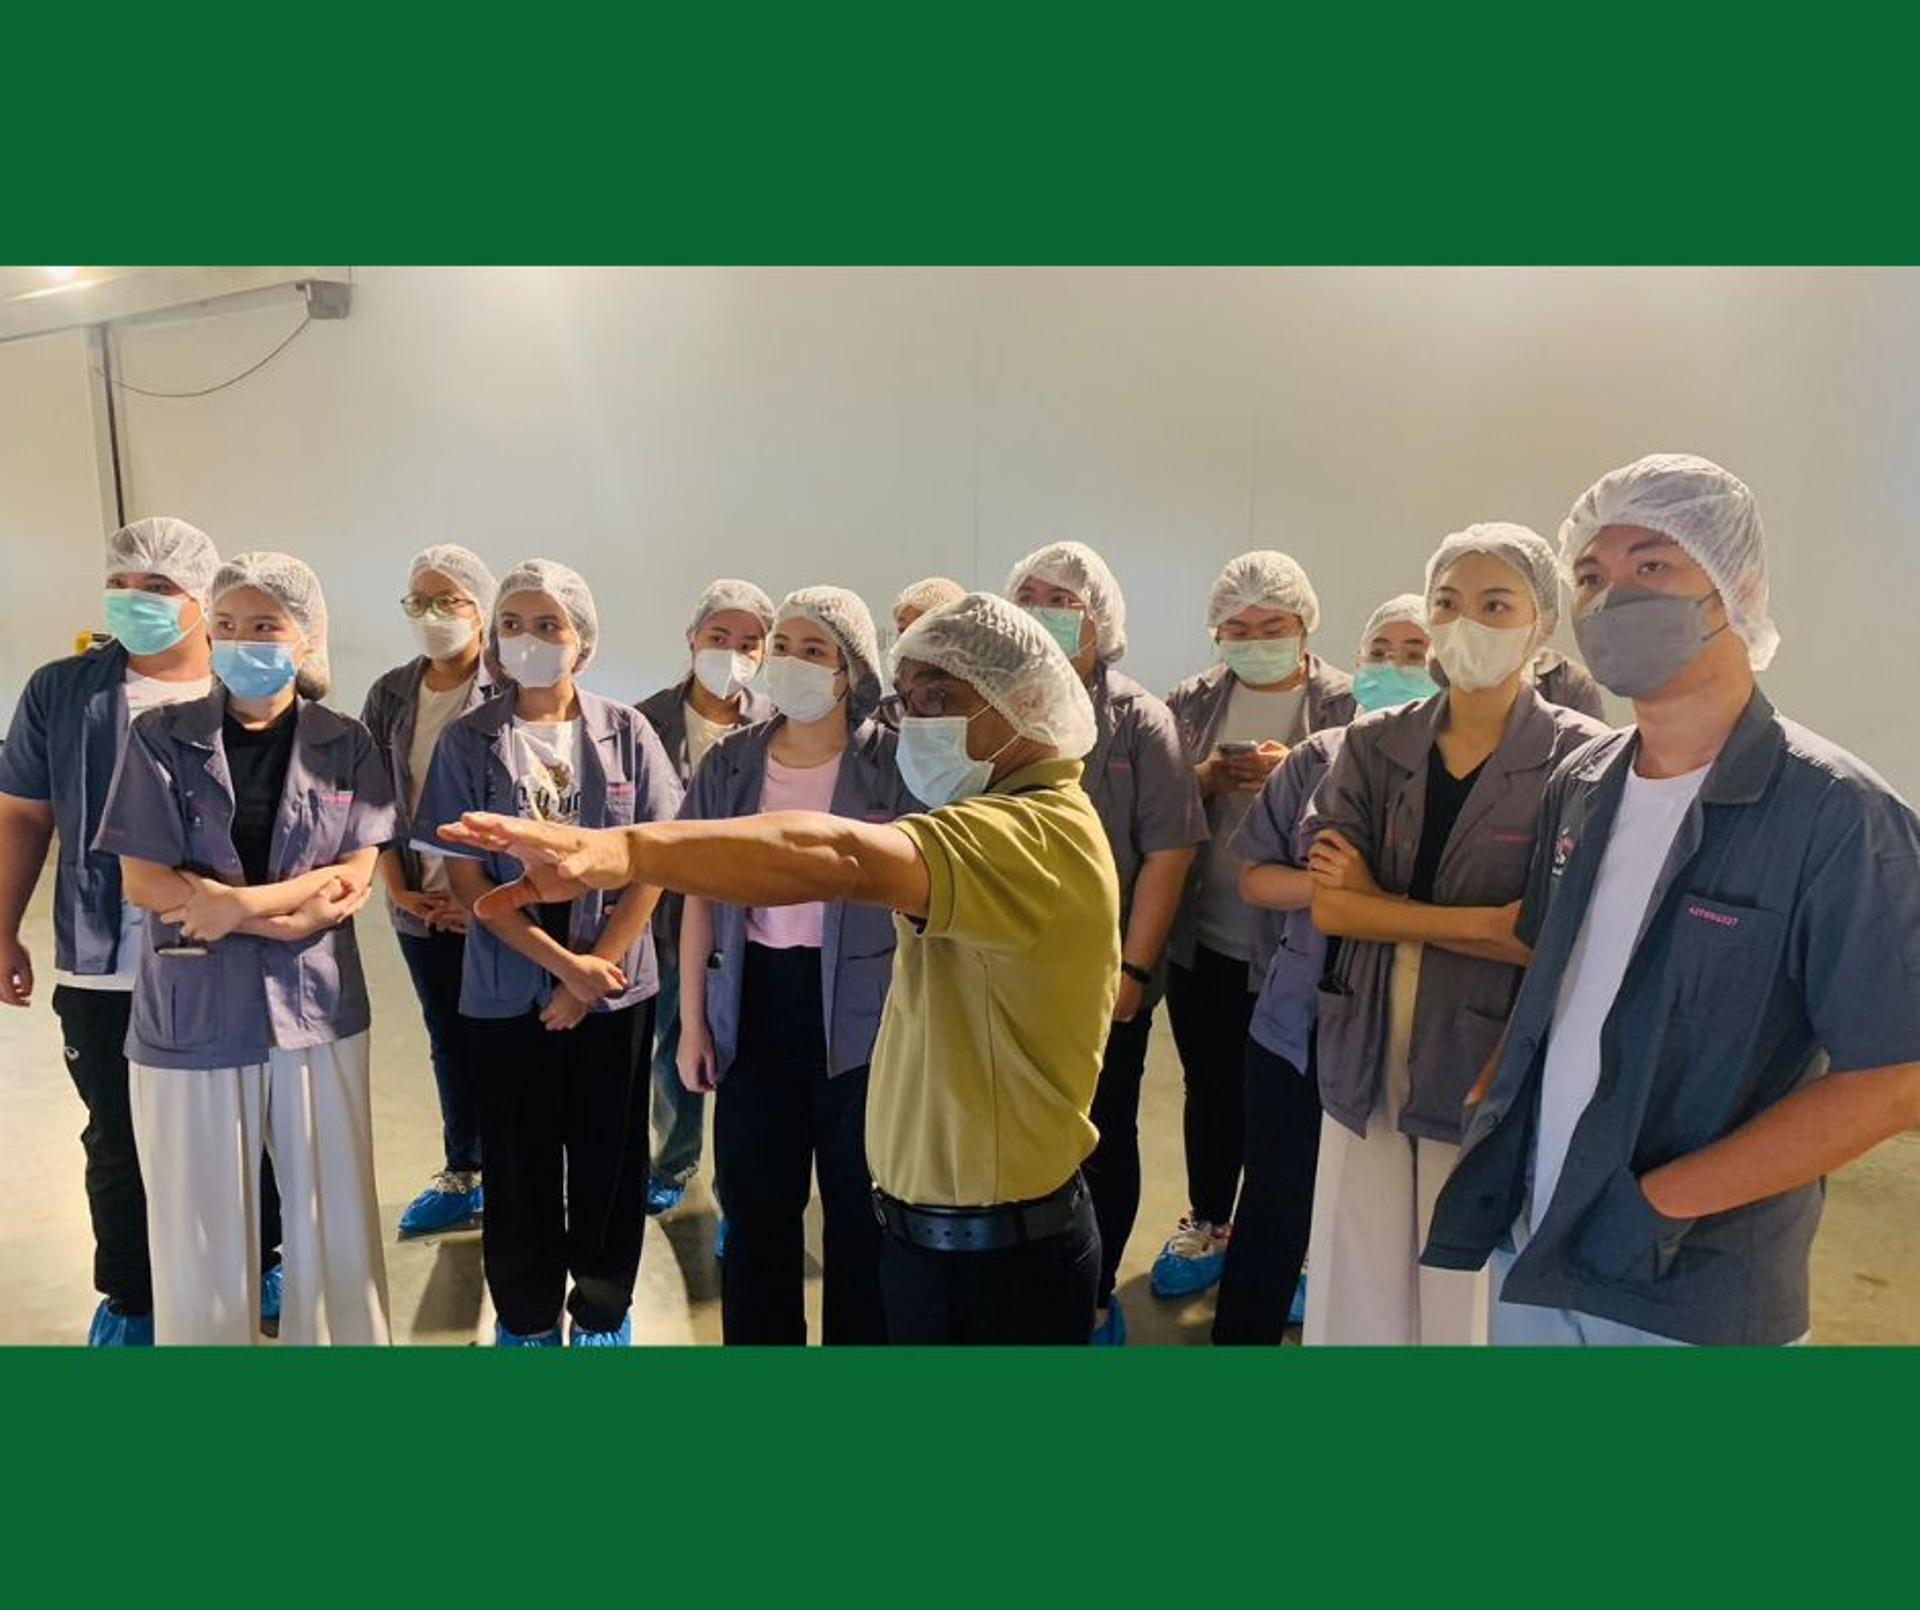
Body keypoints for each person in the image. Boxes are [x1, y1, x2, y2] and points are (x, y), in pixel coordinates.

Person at [442, 592, 1119, 1345]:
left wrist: (625, 850)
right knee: (761, 1219)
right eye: (910, 701)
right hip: (939, 1235)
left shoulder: (1031, 833)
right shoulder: (773, 766)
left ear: (1027, 704)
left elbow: (838, 854)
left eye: (941, 701)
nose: (920, 724)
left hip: (1000, 1263)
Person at [1425, 454, 1920, 1345]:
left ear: (1738, 589)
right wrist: (1495, 1094)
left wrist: (1658, 1205)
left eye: (1652, 565)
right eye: (1590, 575)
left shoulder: (1837, 816)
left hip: (1689, 1282)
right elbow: (1557, 972)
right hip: (1534, 1235)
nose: (1612, 598)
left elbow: (1894, 1078)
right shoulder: (1582, 783)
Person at [1300, 525, 1607, 1344]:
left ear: (1541, 626)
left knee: (1465, 1297)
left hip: (1483, 1063)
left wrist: (1380, 903)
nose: (1466, 623)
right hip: (1367, 1045)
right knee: (1357, 1280)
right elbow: (1332, 909)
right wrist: (1478, 924)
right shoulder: (1374, 744)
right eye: (1448, 602)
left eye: (1495, 605)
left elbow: (1546, 943)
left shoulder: (1584, 763)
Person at [95, 552, 395, 1345]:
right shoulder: (160, 737)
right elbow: (145, 880)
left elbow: (354, 874)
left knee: (334, 1214)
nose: (242, 641)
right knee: (197, 1228)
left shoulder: (347, 742)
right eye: (226, 624)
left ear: (308, 636)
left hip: (316, 1004)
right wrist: (276, 918)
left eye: (265, 625)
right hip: (192, 1006)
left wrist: (234, 907)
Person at [0, 517, 286, 1345]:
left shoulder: (248, 687)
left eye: (158, 587)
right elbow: (23, 816)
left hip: (232, 955)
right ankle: (132, 1299)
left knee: (251, 1122)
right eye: (120, 584)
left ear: (202, 597)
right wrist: (4, 927)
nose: (135, 600)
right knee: (118, 1137)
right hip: (106, 961)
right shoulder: (64, 692)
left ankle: (263, 1258)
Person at [416, 559, 681, 1346]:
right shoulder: (469, 740)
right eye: (512, 625)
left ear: (582, 640)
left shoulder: (628, 733)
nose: (527, 639)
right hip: (508, 978)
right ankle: (526, 1315)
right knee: (518, 1155)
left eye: (547, 625)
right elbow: (467, 878)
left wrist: (595, 970)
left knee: (610, 1153)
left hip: (615, 978)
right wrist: (563, 969)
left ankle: (602, 1307)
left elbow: (652, 862)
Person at [678, 586, 911, 1343]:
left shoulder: (892, 764)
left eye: (816, 651)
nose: (792, 662)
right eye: (782, 646)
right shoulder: (732, 764)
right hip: (754, 1007)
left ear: (851, 672)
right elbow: (698, 894)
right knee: (756, 1214)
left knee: (859, 1213)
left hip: (864, 1016)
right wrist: (693, 1024)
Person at [1213, 593, 1435, 1344]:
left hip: (1414, 1035)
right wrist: (1337, 893)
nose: (1394, 666)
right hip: (1296, 1024)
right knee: (1275, 1204)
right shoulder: (1318, 757)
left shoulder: (1473, 771)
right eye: (1380, 651)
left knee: (1385, 1224)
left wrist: (1370, 900)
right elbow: (1255, 878)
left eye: (1415, 653)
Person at [1005, 541, 1205, 1343]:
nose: (1043, 611)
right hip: (1004, 966)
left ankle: (1090, 1295)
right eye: (1029, 595)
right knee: (1013, 1133)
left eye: (1063, 599)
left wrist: (1134, 969)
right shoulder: (995, 707)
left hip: (1103, 974)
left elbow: (1170, 850)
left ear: (1101, 619)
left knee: (1102, 1132)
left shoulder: (1139, 720)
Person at [1154, 551, 1356, 1297]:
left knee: (1292, 1107)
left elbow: (1371, 810)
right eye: (1236, 629)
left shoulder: (1347, 703)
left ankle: (1289, 1246)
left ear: (1305, 625)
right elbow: (1158, 802)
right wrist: (1207, 779)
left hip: (1303, 947)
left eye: (1272, 626)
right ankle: (1210, 1219)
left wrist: (1297, 778)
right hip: (1205, 934)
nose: (1254, 640)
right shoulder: (1191, 701)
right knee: (1209, 1088)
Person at [361, 544, 499, 1237]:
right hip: (421, 904)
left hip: (502, 908)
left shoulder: (513, 691)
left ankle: (526, 1167)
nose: (432, 614)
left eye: (449, 600)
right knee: (448, 1036)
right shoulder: (391, 694)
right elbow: (372, 801)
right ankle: (464, 1170)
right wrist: (400, 890)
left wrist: (485, 904)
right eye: (419, 601)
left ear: (482, 609)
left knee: (510, 1038)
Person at [636, 579, 776, 1217]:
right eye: (719, 637)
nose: (732, 653)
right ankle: (674, 1159)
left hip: (754, 911)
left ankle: (740, 1194)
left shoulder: (777, 724)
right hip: (665, 913)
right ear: (692, 638)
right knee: (673, 1042)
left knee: (751, 1055)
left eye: (749, 643)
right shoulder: (645, 722)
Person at [874, 577, 966, 730]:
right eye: (903, 631)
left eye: (920, 631)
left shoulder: (982, 709)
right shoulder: (888, 718)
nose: (908, 642)